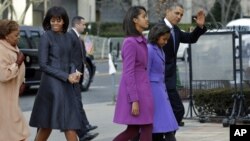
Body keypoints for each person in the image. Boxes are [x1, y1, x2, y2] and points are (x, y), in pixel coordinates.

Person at [29, 6, 82, 141]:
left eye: (58, 20)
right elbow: (43, 65)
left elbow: (71, 60)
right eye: (52, 20)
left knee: (70, 124)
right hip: (51, 86)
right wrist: (66, 76)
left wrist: (74, 72)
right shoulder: (46, 36)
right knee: (46, 126)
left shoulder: (69, 37)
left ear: (64, 21)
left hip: (67, 85)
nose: (55, 23)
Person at [162, 2, 207, 127]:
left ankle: (165, 135)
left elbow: (190, 38)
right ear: (167, 12)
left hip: (169, 78)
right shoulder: (158, 28)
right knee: (178, 110)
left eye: (181, 15)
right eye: (177, 13)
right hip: (159, 78)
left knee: (175, 111)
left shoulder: (175, 30)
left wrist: (199, 27)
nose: (179, 17)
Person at [113, 6, 154, 141]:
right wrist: (134, 100)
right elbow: (128, 73)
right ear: (135, 20)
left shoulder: (142, 40)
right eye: (144, 16)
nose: (147, 19)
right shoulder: (130, 42)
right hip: (135, 92)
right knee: (142, 128)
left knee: (137, 129)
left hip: (143, 89)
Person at [69, 16, 99, 141]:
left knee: (78, 102)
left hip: (78, 76)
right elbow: (70, 57)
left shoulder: (78, 37)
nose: (85, 27)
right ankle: (83, 132)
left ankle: (84, 128)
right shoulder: (70, 36)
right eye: (83, 24)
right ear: (77, 24)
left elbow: (82, 56)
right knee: (75, 104)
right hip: (72, 76)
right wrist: (74, 72)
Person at [147, 23, 178, 141]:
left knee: (164, 126)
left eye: (167, 39)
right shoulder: (149, 49)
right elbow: (145, 73)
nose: (166, 42)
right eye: (164, 39)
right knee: (163, 126)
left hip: (160, 91)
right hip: (153, 92)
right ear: (156, 36)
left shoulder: (160, 50)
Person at [0, 19, 30, 141]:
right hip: (4, 98)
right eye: (16, 35)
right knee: (15, 133)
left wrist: (23, 82)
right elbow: (3, 75)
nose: (19, 37)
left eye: (19, 34)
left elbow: (20, 70)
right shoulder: (1, 49)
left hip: (12, 96)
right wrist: (17, 63)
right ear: (6, 36)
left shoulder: (13, 46)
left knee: (14, 132)